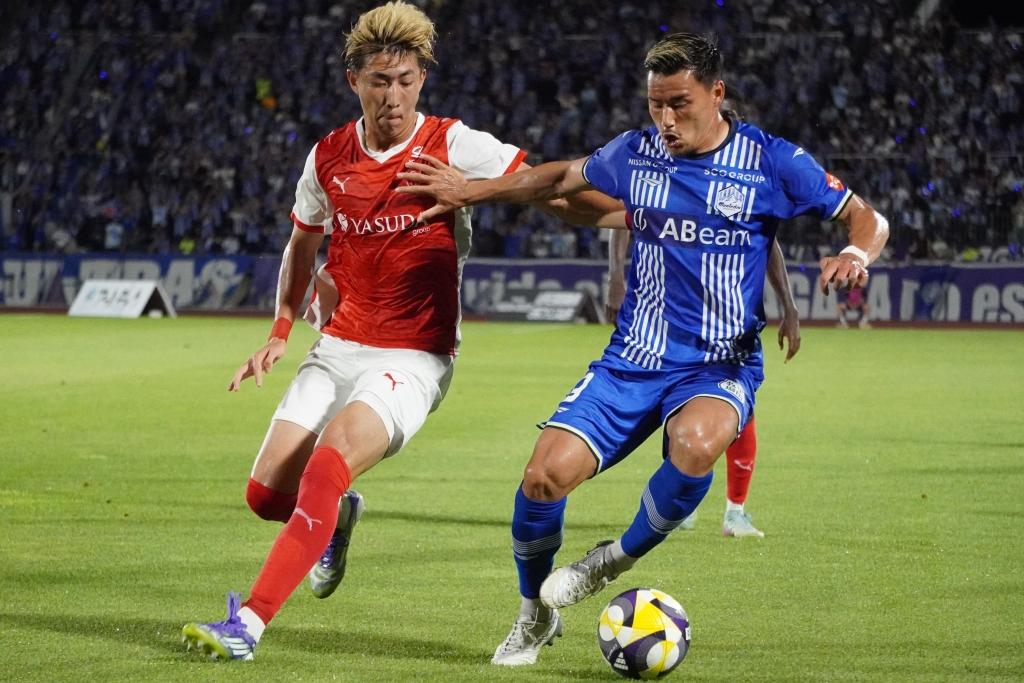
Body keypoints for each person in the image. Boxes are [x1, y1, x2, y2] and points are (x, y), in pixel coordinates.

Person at [398, 31, 889, 666]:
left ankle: (615, 558)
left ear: (716, 93)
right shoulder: (635, 152)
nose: (666, 119)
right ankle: (533, 614)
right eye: (656, 104)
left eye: (679, 103)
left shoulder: (772, 161)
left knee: (696, 443)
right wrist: (470, 190)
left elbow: (866, 218)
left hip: (717, 362)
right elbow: (560, 176)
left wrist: (853, 253)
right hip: (632, 358)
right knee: (542, 478)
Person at [180, 1, 620, 661]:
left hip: (414, 355)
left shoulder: (454, 145)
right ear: (353, 80)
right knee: (266, 493)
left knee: (326, 464)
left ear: (422, 79)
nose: (393, 96)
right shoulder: (328, 156)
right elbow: (302, 244)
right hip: (339, 345)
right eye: (380, 81)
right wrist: (279, 330)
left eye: (406, 80)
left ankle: (248, 624)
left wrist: (625, 211)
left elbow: (546, 188)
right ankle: (335, 520)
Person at [606, 230, 801, 539]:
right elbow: (621, 219)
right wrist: (616, 276)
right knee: (678, 406)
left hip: (731, 317)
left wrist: (789, 306)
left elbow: (768, 238)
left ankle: (734, 511)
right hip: (671, 314)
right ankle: (682, 502)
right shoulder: (664, 197)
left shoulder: (747, 199)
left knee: (739, 407)